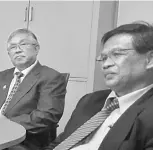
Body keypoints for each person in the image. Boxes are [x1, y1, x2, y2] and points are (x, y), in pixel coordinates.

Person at [45, 21, 153, 150]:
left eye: (117, 54)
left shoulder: (148, 115)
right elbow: (60, 144)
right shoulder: (89, 101)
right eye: (103, 58)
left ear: (150, 60)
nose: (106, 64)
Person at [0, 28, 67, 149]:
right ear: (8, 53)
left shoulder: (51, 77)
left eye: (23, 44)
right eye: (13, 47)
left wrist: (6, 123)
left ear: (36, 49)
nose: (18, 50)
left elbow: (47, 116)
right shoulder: (3, 76)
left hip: (24, 141)